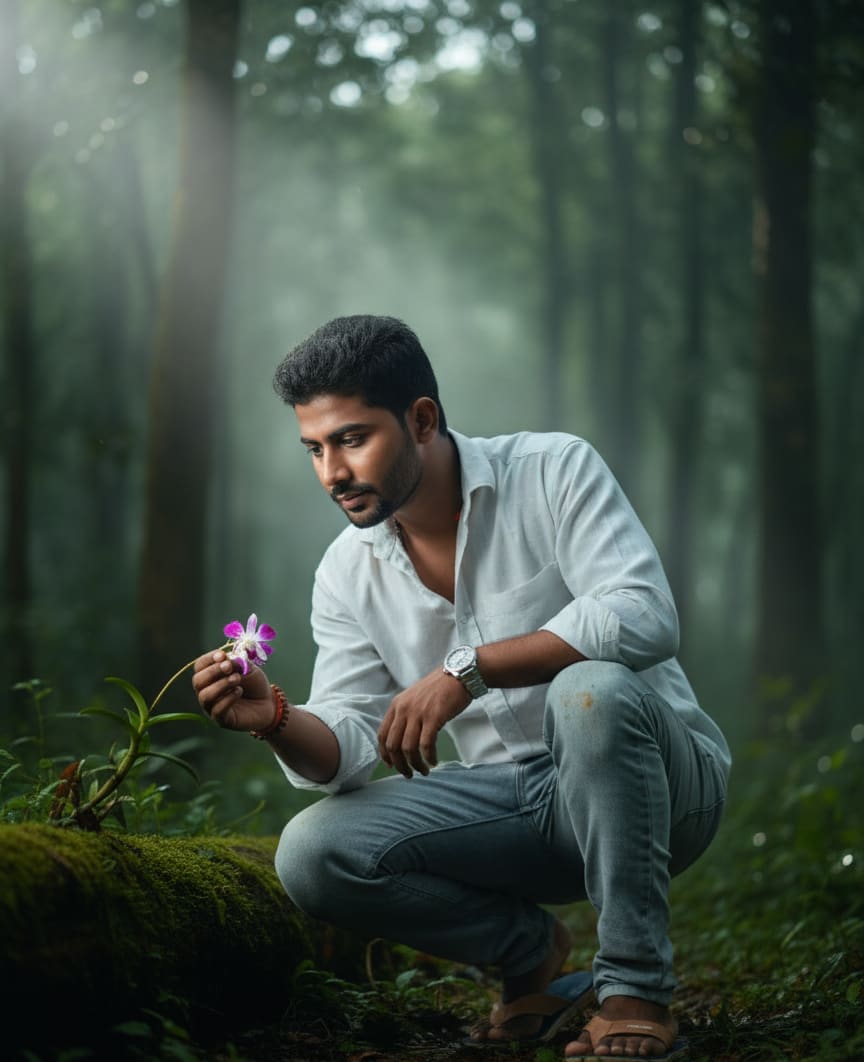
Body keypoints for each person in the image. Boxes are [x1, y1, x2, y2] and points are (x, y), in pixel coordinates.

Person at [192, 314, 730, 1060]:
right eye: (314, 448)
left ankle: (636, 990)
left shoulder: (553, 470)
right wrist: (274, 717)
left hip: (662, 789)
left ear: (421, 419)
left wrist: (465, 670)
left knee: (592, 692)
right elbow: (346, 749)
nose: (331, 472)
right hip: (514, 805)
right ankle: (527, 956)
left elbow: (643, 614)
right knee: (312, 852)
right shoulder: (346, 571)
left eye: (351, 439)